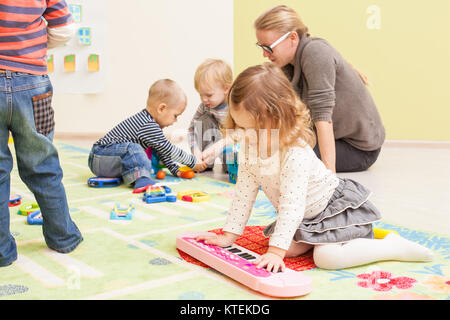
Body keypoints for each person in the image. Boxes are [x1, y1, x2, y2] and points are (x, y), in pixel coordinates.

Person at [196, 63, 432, 273]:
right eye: (240, 127)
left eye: (255, 130)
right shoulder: (250, 148)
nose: (246, 136)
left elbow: (292, 204)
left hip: (333, 210)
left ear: (280, 120)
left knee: (326, 258)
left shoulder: (294, 152)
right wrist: (229, 235)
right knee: (281, 245)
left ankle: (390, 246)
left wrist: (276, 253)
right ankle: (315, 239)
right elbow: (243, 194)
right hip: (304, 219)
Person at [253, 5, 385, 173]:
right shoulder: (288, 64)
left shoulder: (315, 53)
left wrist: (329, 177)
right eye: (262, 47)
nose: (265, 54)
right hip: (337, 138)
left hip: (358, 149)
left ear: (292, 38)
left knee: (284, 155)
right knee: (267, 149)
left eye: (269, 47)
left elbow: (323, 117)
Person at [0, 0, 83, 267]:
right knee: (44, 165)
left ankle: (2, 252)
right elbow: (64, 29)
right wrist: (32, 48)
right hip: (34, 83)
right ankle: (63, 237)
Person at [89, 79, 208, 192]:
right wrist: (192, 162)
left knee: (150, 147)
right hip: (100, 156)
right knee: (134, 148)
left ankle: (135, 175)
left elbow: (161, 149)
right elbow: (168, 149)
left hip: (108, 159)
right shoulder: (147, 124)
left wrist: (175, 169)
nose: (175, 121)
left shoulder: (151, 126)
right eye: (175, 115)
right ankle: (142, 180)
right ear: (161, 108)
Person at [187, 59, 233, 169]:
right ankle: (204, 162)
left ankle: (230, 165)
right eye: (200, 95)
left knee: (230, 169)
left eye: (209, 95)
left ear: (226, 88)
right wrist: (196, 150)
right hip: (211, 146)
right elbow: (192, 129)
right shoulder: (204, 106)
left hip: (229, 144)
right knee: (203, 120)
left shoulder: (235, 105)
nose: (203, 99)